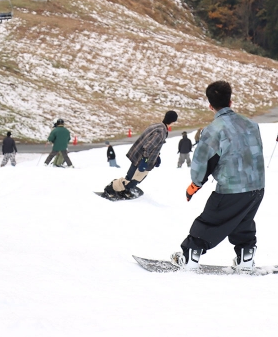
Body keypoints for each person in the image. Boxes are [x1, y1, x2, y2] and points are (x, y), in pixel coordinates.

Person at [170, 80, 265, 272]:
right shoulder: (252, 125)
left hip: (231, 188)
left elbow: (202, 161)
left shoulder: (214, 130)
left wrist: (195, 184)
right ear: (230, 102)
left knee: (210, 220)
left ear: (210, 105)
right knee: (243, 222)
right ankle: (245, 258)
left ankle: (190, 256)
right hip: (257, 187)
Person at [102, 110, 178, 199]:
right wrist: (145, 160)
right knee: (134, 177)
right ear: (172, 121)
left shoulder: (157, 126)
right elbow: (148, 146)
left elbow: (152, 144)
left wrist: (157, 156)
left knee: (134, 176)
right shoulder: (161, 132)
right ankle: (112, 188)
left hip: (138, 154)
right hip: (142, 158)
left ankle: (125, 190)